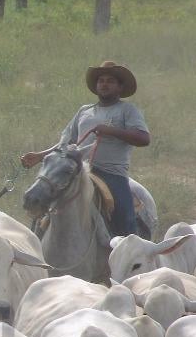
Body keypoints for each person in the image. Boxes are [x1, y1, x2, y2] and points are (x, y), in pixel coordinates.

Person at [21, 60, 150, 236]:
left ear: (120, 87)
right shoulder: (84, 111)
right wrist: (40, 156)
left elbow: (143, 138)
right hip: (78, 170)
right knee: (44, 196)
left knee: (123, 215)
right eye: (101, 81)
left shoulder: (127, 110)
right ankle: (36, 241)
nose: (104, 84)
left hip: (111, 174)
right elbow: (66, 143)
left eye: (110, 81)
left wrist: (111, 131)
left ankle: (129, 245)